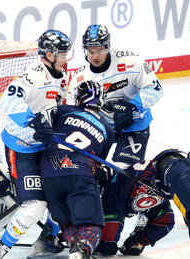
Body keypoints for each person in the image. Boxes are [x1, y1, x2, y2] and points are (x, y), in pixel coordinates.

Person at [0, 29, 72, 259]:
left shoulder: (63, 75)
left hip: (46, 145)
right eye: (62, 53)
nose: (66, 57)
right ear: (49, 54)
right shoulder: (32, 75)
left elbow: (59, 105)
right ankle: (2, 246)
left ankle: (49, 237)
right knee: (36, 205)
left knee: (63, 192)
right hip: (21, 147)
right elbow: (7, 100)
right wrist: (33, 121)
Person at [41, 80, 114, 259]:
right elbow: (98, 162)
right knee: (92, 223)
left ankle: (77, 250)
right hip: (79, 173)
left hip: (49, 171)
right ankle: (82, 251)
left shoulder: (63, 110)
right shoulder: (108, 129)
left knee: (66, 220)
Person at [68, 24, 164, 168]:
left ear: (108, 46)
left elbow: (156, 89)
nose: (95, 56)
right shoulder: (79, 78)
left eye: (100, 50)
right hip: (101, 128)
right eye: (91, 51)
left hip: (134, 124)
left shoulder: (132, 62)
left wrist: (132, 106)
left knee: (122, 172)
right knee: (89, 170)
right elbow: (74, 112)